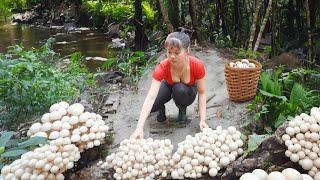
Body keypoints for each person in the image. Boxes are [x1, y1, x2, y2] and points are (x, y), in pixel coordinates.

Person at [130, 29, 209, 139]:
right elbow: (151, 96)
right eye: (169, 52)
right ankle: (160, 108)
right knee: (153, 105)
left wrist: (202, 120)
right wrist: (139, 127)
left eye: (177, 53)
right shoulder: (162, 66)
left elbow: (202, 92)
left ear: (187, 51)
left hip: (187, 91)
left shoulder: (197, 65)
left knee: (179, 89)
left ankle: (182, 109)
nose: (172, 56)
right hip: (168, 85)